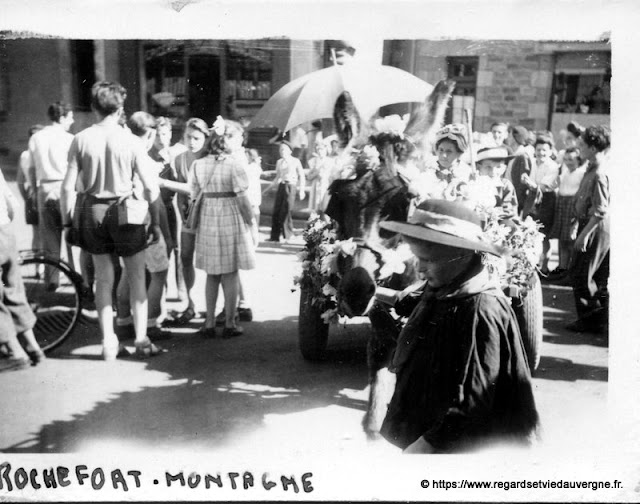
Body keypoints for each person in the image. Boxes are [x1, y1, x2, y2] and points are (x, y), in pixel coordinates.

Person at [377, 199, 539, 453]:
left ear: (461, 255)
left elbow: (473, 402)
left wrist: (425, 447)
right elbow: (411, 301)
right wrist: (372, 293)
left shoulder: (479, 308)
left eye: (427, 260)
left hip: (465, 445)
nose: (420, 270)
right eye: (417, 259)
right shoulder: (447, 285)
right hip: (434, 425)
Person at [60, 81, 164, 361]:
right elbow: (150, 186)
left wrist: (68, 223)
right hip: (126, 209)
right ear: (120, 110)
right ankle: (142, 341)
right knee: (136, 278)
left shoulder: (80, 139)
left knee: (103, 280)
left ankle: (108, 342)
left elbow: (67, 187)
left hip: (92, 211)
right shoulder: (130, 140)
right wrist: (154, 222)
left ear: (94, 107)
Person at [189, 117, 256, 339]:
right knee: (230, 273)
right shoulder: (234, 165)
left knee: (212, 274)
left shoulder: (197, 164)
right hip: (230, 216)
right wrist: (251, 223)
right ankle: (229, 322)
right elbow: (243, 199)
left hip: (208, 217)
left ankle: (208, 323)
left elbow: (193, 193)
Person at [115, 112, 175, 341]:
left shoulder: (120, 151)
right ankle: (149, 324)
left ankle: (123, 321)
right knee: (159, 272)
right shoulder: (143, 156)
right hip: (144, 217)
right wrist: (160, 227)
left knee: (128, 274)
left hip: (122, 217)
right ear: (149, 133)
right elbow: (153, 197)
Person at [157, 118, 210, 325]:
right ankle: (191, 303)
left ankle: (212, 306)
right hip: (188, 217)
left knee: (211, 263)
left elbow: (195, 187)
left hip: (209, 216)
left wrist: (164, 182)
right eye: (188, 136)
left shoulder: (209, 159)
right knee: (186, 258)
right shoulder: (179, 159)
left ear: (206, 138)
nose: (192, 141)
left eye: (197, 138)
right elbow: (173, 189)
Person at [0, 167, 46, 372]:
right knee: (13, 291)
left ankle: (14, 352)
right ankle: (34, 347)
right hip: (4, 233)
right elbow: (12, 205)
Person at [567, 125, 610, 334]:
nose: (578, 148)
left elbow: (600, 210)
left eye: (582, 145)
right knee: (581, 272)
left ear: (593, 148)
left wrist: (585, 235)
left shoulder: (600, 172)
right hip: (589, 223)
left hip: (596, 226)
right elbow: (583, 200)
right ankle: (592, 318)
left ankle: (591, 320)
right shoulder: (590, 168)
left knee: (584, 273)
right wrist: (576, 223)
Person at [28, 102, 75, 289]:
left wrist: (33, 189)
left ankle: (53, 279)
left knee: (49, 236)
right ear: (62, 118)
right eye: (70, 117)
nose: (72, 121)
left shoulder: (37, 138)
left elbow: (31, 169)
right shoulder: (69, 138)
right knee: (71, 232)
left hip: (44, 188)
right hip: (65, 187)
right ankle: (74, 275)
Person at [215, 147, 261, 326]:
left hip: (236, 215)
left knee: (229, 267)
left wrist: (252, 224)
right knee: (234, 266)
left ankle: (233, 308)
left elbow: (246, 197)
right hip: (238, 213)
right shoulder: (239, 161)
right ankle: (242, 305)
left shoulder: (236, 163)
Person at [521, 134, 559, 274]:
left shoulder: (553, 166)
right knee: (530, 230)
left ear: (550, 152)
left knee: (544, 235)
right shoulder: (531, 162)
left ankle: (544, 266)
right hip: (532, 199)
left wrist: (528, 183)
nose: (541, 153)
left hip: (547, 201)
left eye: (544, 150)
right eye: (538, 149)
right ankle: (531, 264)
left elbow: (543, 187)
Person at [548, 147, 586, 280]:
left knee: (571, 239)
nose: (568, 162)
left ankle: (571, 271)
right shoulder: (564, 171)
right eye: (566, 159)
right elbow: (554, 185)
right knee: (562, 239)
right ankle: (562, 268)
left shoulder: (581, 173)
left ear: (578, 159)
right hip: (562, 204)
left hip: (572, 205)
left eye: (571, 159)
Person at [265, 141, 306, 242]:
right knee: (277, 210)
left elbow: (302, 176)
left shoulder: (295, 161)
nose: (282, 151)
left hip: (291, 186)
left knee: (286, 210)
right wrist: (267, 189)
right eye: (280, 149)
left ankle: (289, 235)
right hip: (282, 186)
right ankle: (274, 236)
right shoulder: (279, 162)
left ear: (290, 151)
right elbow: (277, 178)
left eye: (284, 149)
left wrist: (302, 190)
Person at [420, 124, 472, 201]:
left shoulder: (466, 172)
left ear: (459, 153)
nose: (443, 155)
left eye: (449, 151)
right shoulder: (427, 169)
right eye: (441, 150)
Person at [468, 147, 518, 219]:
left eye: (498, 167)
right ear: (478, 167)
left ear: (504, 168)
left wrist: (490, 212)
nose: (493, 172)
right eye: (488, 167)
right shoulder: (474, 183)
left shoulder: (505, 186)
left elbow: (509, 212)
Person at [17, 125, 44, 253]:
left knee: (36, 233)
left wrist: (26, 198)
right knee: (51, 232)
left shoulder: (24, 155)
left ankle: (38, 266)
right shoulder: (44, 153)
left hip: (31, 193)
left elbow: (20, 181)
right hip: (44, 190)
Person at [306, 141, 333, 212]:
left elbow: (332, 175)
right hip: (316, 184)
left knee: (324, 205)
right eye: (318, 149)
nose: (320, 151)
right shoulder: (313, 161)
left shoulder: (330, 161)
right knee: (315, 207)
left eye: (322, 149)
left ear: (326, 150)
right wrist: (316, 172)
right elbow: (309, 177)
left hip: (326, 184)